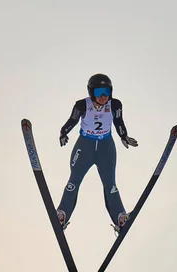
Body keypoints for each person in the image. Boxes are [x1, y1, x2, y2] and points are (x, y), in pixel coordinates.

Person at [56, 73, 138, 232]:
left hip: (105, 147)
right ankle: (62, 214)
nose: (103, 96)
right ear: (91, 92)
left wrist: (124, 136)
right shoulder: (82, 105)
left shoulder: (115, 104)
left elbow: (119, 121)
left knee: (111, 185)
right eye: (99, 92)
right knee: (73, 181)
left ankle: (120, 218)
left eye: (106, 91)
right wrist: (63, 133)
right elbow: (72, 120)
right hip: (85, 146)